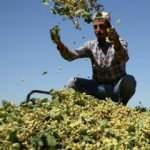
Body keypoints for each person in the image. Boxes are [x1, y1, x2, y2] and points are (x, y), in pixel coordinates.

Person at [50, 11, 136, 105]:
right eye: (95, 27)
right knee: (73, 82)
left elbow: (124, 57)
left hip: (116, 89)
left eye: (102, 26)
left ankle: (121, 105)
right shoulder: (91, 45)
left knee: (129, 81)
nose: (98, 30)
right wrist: (59, 44)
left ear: (109, 27)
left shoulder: (119, 42)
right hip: (99, 89)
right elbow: (71, 56)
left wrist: (116, 41)